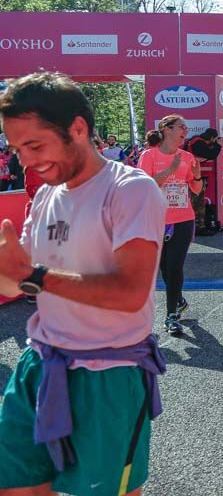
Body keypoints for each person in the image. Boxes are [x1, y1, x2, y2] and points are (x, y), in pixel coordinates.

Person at [0, 72, 168, 496]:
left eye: (35, 145)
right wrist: (13, 272)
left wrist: (33, 276)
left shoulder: (130, 189)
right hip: (40, 363)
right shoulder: (44, 195)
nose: (26, 161)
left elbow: (130, 293)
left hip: (107, 376)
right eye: (17, 149)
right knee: (15, 487)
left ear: (77, 128)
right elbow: (22, 284)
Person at [138, 117, 203, 337]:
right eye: (181, 127)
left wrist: (197, 175)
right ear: (166, 130)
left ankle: (171, 315)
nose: (186, 130)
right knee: (165, 268)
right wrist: (171, 169)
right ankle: (179, 300)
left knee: (175, 267)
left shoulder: (187, 157)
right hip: (156, 220)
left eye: (187, 127)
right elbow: (144, 186)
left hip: (183, 218)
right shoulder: (149, 155)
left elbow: (196, 189)